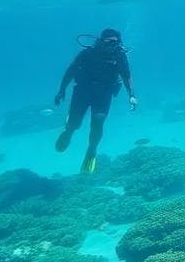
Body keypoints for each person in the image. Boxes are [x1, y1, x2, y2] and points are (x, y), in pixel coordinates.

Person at [54, 28, 137, 174]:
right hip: (82, 91)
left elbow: (126, 75)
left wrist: (131, 95)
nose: (113, 46)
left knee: (98, 121)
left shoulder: (120, 56)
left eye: (116, 43)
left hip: (104, 93)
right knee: (74, 123)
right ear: (101, 41)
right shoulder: (87, 53)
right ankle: (69, 131)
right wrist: (62, 90)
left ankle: (92, 149)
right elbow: (71, 71)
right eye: (110, 42)